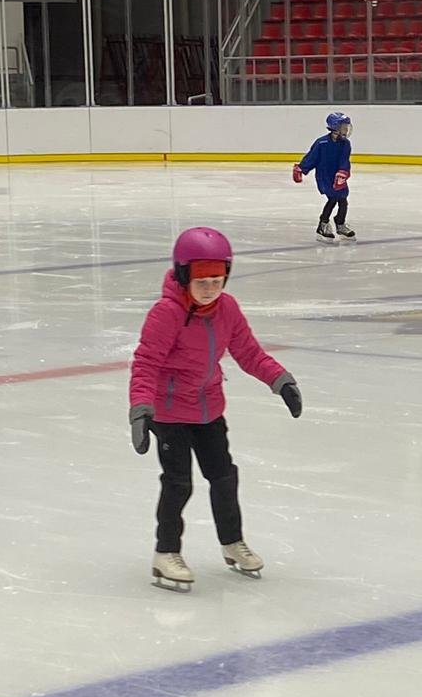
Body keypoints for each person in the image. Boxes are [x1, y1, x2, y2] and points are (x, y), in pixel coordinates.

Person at [128, 227, 302, 590]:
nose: (210, 289)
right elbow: (146, 363)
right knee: (178, 484)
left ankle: (232, 542)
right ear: (183, 276)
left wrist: (280, 380)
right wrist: (141, 409)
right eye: (201, 281)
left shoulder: (227, 309)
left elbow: (249, 352)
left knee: (224, 477)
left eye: (217, 281)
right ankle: (166, 553)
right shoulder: (166, 313)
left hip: (208, 409)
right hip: (170, 413)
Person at [294, 111, 355, 240]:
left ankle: (340, 223)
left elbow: (344, 160)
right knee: (332, 199)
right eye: (344, 127)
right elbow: (312, 158)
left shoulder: (345, 144)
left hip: (338, 176)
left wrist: (343, 172)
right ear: (335, 127)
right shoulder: (321, 143)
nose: (346, 129)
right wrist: (301, 168)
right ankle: (323, 224)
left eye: (347, 127)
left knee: (343, 200)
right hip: (325, 177)